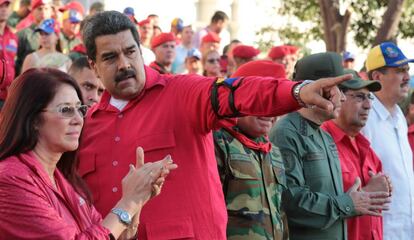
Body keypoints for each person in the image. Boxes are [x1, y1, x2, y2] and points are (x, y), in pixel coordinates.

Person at [79, 11, 353, 240]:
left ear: (141, 51)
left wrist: (297, 93)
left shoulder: (181, 92)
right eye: (110, 57)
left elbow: (238, 93)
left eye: (130, 52)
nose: (125, 64)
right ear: (93, 65)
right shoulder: (85, 126)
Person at [0, 68, 177, 239]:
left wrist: (138, 199)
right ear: (33, 120)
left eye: (80, 109)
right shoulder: (10, 179)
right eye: (66, 110)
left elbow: (104, 234)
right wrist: (128, 202)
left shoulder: (64, 180)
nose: (78, 120)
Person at [270, 52, 391, 240]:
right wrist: (348, 203)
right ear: (319, 89)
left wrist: (358, 198)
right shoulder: (286, 133)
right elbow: (292, 202)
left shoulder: (324, 137)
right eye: (337, 89)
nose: (342, 99)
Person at [214, 60, 289, 240]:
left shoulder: (273, 151)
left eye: (274, 103)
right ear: (240, 99)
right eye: (260, 101)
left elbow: (280, 214)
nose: (268, 112)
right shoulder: (218, 142)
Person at [321, 69, 391, 240]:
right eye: (359, 97)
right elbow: (310, 209)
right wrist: (367, 194)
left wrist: (385, 187)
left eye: (370, 97)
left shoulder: (366, 147)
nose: (368, 105)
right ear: (337, 97)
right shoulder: (320, 144)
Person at [361, 42, 414, 240]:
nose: (407, 77)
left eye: (407, 70)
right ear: (376, 77)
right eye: (400, 71)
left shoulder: (399, 114)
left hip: (407, 229)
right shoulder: (364, 118)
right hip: (382, 231)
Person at [0, 0, 17, 109]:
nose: (4, 9)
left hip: (8, 96)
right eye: (1, 6)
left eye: (6, 6)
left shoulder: (13, 36)